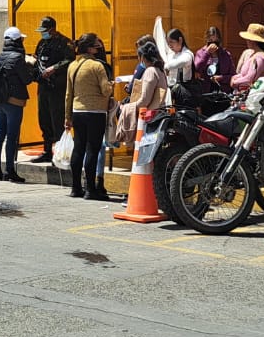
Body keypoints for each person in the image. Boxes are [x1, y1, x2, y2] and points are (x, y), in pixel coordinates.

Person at [64, 32, 115, 201]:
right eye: (96, 45)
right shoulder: (97, 66)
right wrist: (111, 85)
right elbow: (105, 90)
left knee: (78, 149)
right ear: (91, 48)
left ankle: (75, 187)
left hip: (77, 112)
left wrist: (67, 117)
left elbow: (68, 94)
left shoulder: (72, 65)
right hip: (95, 113)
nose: (98, 48)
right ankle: (90, 189)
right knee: (92, 149)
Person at [0, 26, 36, 183]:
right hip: (14, 101)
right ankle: (10, 171)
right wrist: (30, 64)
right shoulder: (18, 58)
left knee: (0, 134)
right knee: (12, 136)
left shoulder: (0, 56)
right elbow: (27, 79)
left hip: (0, 101)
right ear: (17, 41)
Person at [30, 16, 75, 164]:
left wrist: (54, 68)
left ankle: (61, 153)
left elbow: (70, 60)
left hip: (58, 87)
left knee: (57, 119)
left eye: (45, 30)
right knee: (44, 119)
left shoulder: (64, 43)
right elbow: (37, 58)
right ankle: (47, 150)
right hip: (44, 87)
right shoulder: (42, 43)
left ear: (52, 29)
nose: (43, 33)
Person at [114, 37, 167, 156]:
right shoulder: (160, 70)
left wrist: (126, 108)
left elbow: (144, 100)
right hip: (157, 113)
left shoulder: (150, 71)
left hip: (148, 117)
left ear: (142, 57)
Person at [231, 23, 264, 92]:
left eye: (248, 39)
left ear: (253, 41)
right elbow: (244, 75)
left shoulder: (260, 58)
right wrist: (235, 77)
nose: (246, 41)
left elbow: (250, 79)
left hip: (254, 96)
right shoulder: (254, 54)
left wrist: (235, 82)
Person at [193, 26, 232, 92]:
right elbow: (197, 69)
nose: (213, 44)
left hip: (222, 91)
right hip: (205, 91)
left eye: (216, 41)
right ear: (206, 40)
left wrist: (221, 78)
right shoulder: (200, 53)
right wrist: (207, 53)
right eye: (210, 41)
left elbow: (232, 75)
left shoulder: (226, 54)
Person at [163, 28, 194, 93]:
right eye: (168, 43)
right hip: (171, 90)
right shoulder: (171, 54)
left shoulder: (187, 54)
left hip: (184, 92)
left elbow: (182, 62)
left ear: (180, 40)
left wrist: (166, 66)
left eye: (171, 42)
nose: (169, 45)